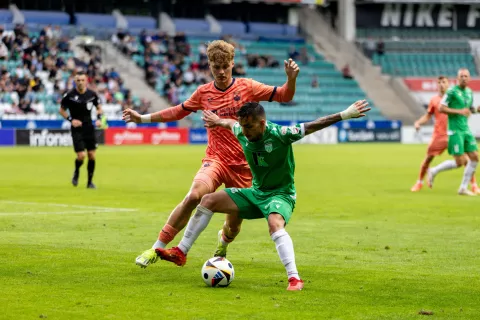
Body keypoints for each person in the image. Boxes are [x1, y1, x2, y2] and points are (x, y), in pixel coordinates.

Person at [155, 100, 371, 291]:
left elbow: (313, 125)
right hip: (256, 192)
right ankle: (181, 252)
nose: (245, 131)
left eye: (249, 126)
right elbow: (231, 124)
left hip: (281, 194)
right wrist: (217, 120)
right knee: (207, 200)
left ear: (262, 123)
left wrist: (345, 114)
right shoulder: (241, 130)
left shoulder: (281, 135)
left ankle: (294, 278)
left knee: (274, 224)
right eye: (243, 125)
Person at [122, 40, 300, 268]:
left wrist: (291, 79)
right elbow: (178, 112)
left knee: (233, 228)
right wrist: (142, 118)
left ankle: (223, 245)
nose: (222, 72)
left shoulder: (248, 87)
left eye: (226, 66)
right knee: (195, 195)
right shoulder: (203, 93)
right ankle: (157, 248)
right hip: (216, 160)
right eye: (217, 68)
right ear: (210, 66)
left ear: (233, 63)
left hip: (245, 167)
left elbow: (285, 95)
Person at [411, 75, 478, 193]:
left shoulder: (456, 96)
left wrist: (474, 111)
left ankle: (473, 185)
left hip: (454, 133)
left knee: (466, 160)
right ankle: (419, 182)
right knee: (428, 158)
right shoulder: (434, 100)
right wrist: (418, 122)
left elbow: (467, 110)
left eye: (444, 82)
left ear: (448, 84)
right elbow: (428, 115)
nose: (441, 85)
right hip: (439, 135)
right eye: (439, 83)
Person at [428, 68, 480, 195]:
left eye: (466, 76)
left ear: (469, 79)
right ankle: (434, 170)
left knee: (475, 158)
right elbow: (441, 108)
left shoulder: (469, 92)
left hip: (465, 130)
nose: (463, 78)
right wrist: (458, 111)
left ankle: (463, 188)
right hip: (455, 130)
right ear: (457, 79)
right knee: (460, 162)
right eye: (461, 76)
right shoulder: (451, 91)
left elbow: (468, 110)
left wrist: (477, 110)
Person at [59, 71, 103, 189]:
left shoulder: (92, 94)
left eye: (82, 80)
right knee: (81, 156)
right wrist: (70, 119)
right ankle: (77, 171)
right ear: (75, 81)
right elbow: (62, 110)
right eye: (78, 80)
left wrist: (99, 119)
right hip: (77, 129)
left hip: (89, 127)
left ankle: (89, 182)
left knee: (92, 155)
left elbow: (99, 108)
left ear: (86, 81)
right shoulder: (69, 95)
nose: (80, 82)